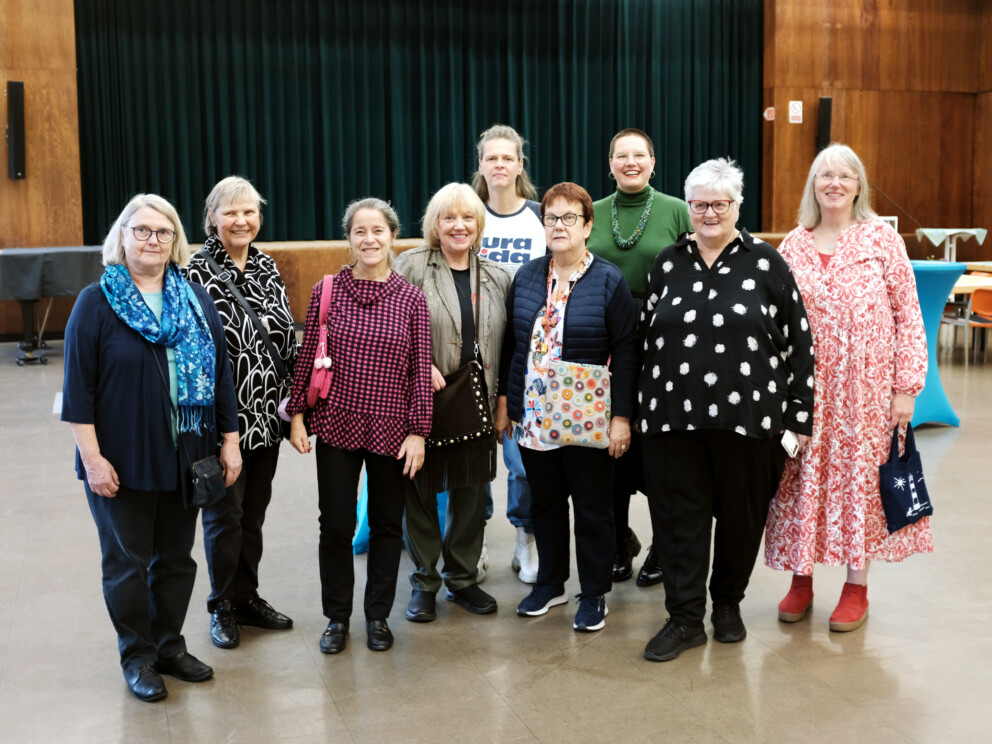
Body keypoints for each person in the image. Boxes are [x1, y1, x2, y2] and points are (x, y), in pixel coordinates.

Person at [62, 194, 240, 702]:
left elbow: (221, 376)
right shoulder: (94, 302)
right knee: (127, 562)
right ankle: (137, 657)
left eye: (162, 232)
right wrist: (93, 460)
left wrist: (230, 442)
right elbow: (78, 392)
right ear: (121, 237)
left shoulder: (194, 299)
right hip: (119, 458)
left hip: (188, 454)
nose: (152, 240)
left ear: (176, 240)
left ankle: (169, 645)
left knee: (178, 559)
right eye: (141, 230)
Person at [637, 159, 814, 662]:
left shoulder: (767, 262)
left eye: (720, 204)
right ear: (688, 207)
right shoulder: (668, 262)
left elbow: (799, 342)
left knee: (741, 519)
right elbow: (645, 338)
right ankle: (685, 618)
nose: (710, 213)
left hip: (752, 423)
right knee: (678, 521)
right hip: (672, 420)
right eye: (700, 205)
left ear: (738, 205)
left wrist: (799, 419)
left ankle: (728, 605)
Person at [764, 143, 930, 632]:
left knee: (859, 485)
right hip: (807, 392)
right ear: (813, 186)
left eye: (844, 175)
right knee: (801, 482)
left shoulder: (881, 240)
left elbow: (909, 317)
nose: (833, 183)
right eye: (824, 175)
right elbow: (775, 322)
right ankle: (801, 578)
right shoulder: (793, 244)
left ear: (859, 185)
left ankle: (856, 586)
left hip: (868, 392)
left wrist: (906, 388)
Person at [286, 198, 432, 654]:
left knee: (388, 526)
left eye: (378, 231)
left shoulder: (411, 299)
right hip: (336, 424)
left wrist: (418, 431)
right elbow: (308, 356)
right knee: (335, 525)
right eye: (359, 232)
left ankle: (377, 616)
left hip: (393, 429)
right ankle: (336, 617)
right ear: (349, 239)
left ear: (393, 237)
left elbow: (419, 369)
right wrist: (295, 415)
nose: (369, 239)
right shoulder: (328, 289)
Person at [496, 181, 638, 633]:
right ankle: (551, 583)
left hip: (587, 418)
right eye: (551, 218)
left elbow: (629, 349)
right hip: (535, 417)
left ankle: (593, 592)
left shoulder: (608, 279)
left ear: (588, 225)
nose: (559, 226)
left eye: (569, 218)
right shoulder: (529, 275)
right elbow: (511, 344)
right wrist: (507, 400)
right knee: (547, 503)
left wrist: (621, 418)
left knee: (594, 507)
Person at [185, 176, 298, 649]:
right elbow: (193, 353)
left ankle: (247, 596)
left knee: (253, 514)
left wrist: (295, 407)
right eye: (231, 212)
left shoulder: (268, 265)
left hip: (267, 417)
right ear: (213, 216)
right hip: (221, 423)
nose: (241, 220)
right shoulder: (194, 272)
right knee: (223, 517)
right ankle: (222, 605)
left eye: (249, 211)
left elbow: (286, 340)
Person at [395, 183, 511, 622]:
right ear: (435, 224)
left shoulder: (498, 274)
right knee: (420, 491)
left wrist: (503, 404)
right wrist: (418, 362)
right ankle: (424, 582)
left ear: (479, 224)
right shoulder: (411, 266)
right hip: (423, 400)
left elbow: (511, 343)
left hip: (476, 400)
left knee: (470, 492)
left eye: (467, 218)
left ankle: (462, 580)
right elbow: (389, 322)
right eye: (449, 218)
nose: (459, 226)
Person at [587, 128, 693, 587]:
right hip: (600, 345)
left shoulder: (679, 210)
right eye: (621, 156)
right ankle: (616, 541)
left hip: (662, 347)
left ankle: (663, 546)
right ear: (609, 163)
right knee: (606, 450)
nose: (630, 162)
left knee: (657, 452)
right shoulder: (592, 212)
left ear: (653, 161)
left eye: (639, 155)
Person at [472, 124, 545, 584]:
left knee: (524, 462)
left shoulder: (541, 216)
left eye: (508, 158)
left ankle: (526, 537)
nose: (500, 165)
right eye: (491, 158)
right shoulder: (466, 215)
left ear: (520, 165)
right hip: (475, 358)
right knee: (475, 460)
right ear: (481, 165)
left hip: (528, 359)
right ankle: (472, 537)